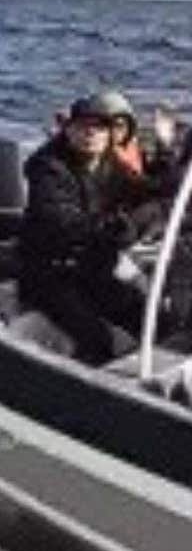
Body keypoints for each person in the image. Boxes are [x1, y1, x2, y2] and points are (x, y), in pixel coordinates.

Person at [17, 93, 163, 364]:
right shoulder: (47, 167)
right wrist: (111, 228)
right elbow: (60, 219)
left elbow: (148, 190)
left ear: (110, 134)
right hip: (52, 274)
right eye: (83, 126)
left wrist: (166, 153)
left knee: (152, 318)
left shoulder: (109, 164)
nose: (91, 133)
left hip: (92, 268)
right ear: (68, 129)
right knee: (99, 340)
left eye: (100, 128)